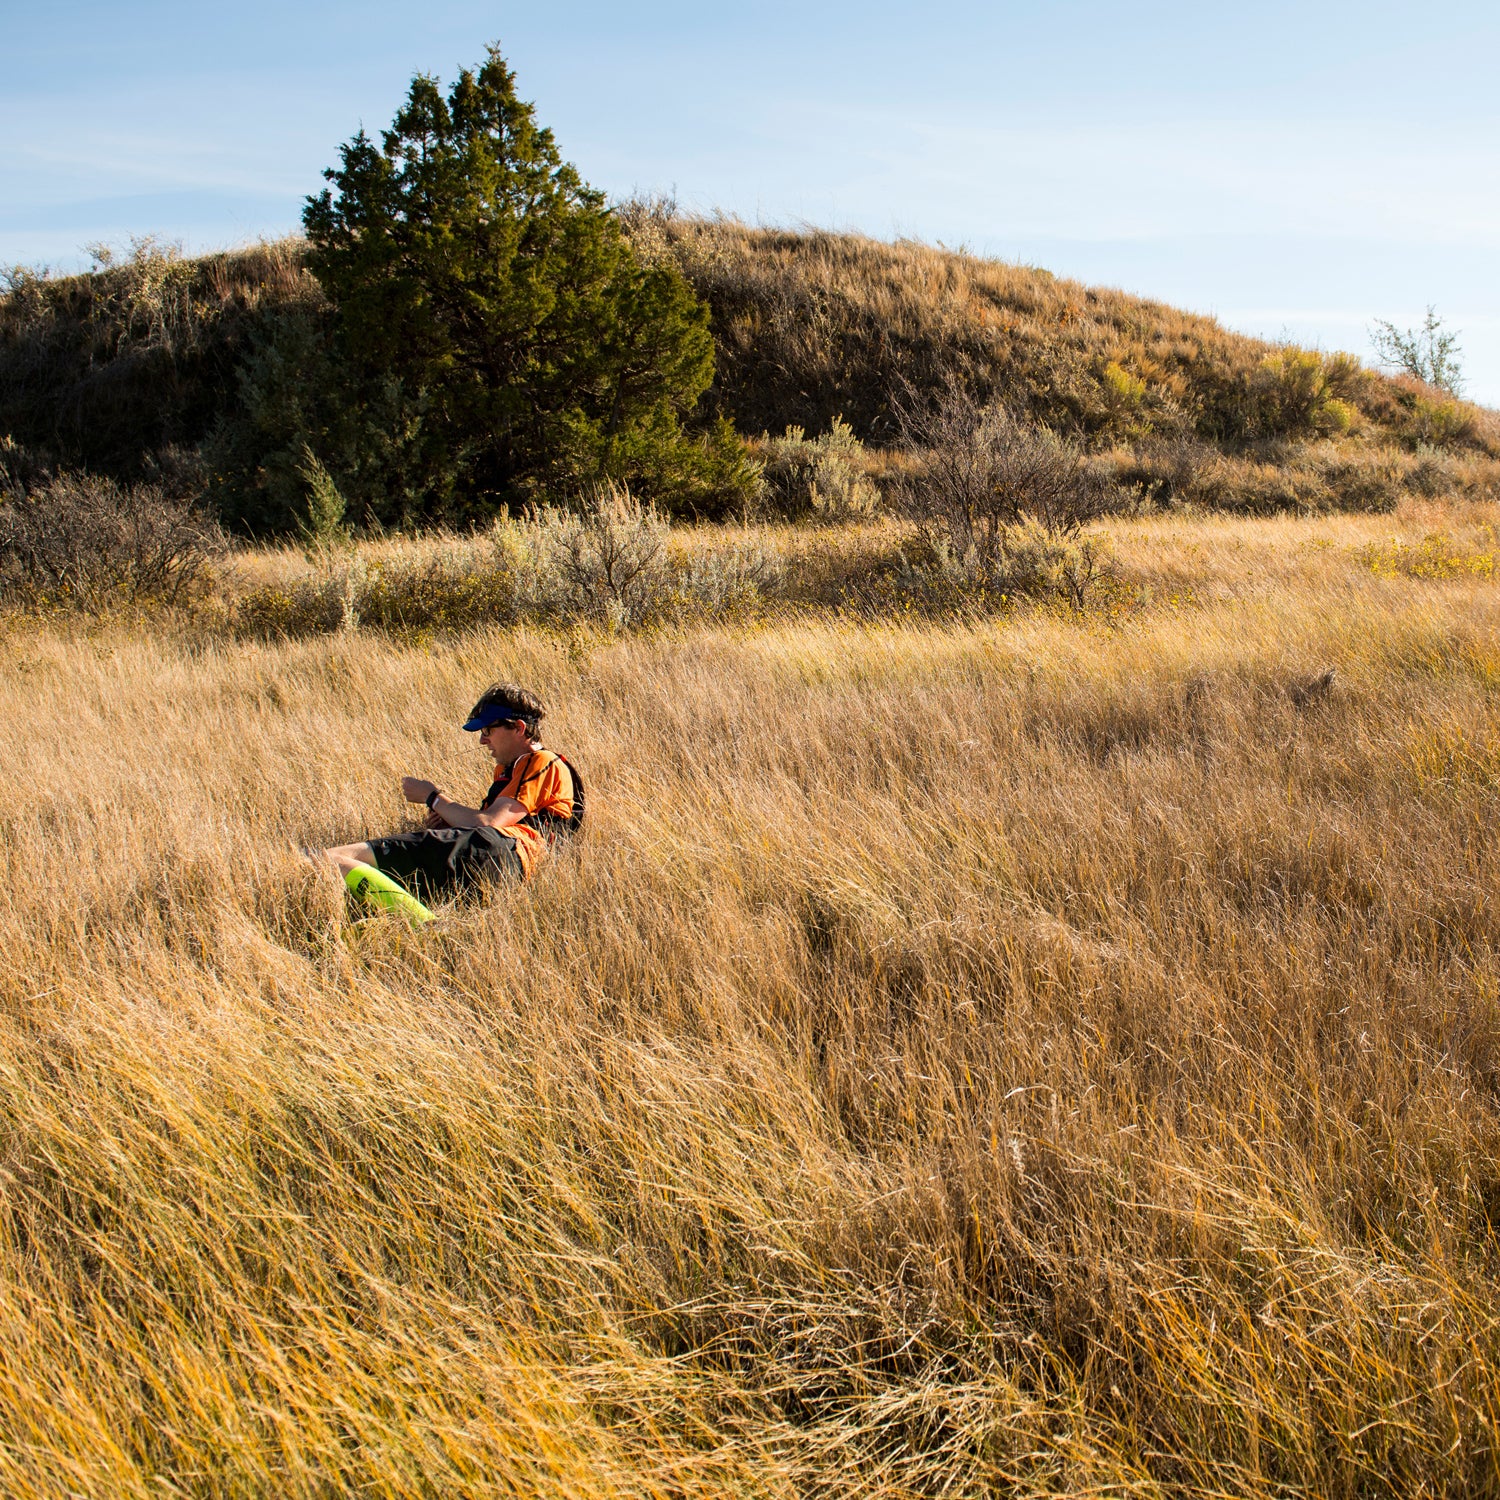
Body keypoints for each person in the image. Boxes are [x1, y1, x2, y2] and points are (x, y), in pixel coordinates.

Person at [318, 682, 579, 902]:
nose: (482, 740)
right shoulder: (510, 770)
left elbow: (489, 824)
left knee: (330, 859)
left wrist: (432, 797)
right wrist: (447, 819)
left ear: (519, 728)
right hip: (500, 860)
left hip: (500, 853)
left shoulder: (542, 762)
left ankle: (420, 924)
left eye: (488, 730)